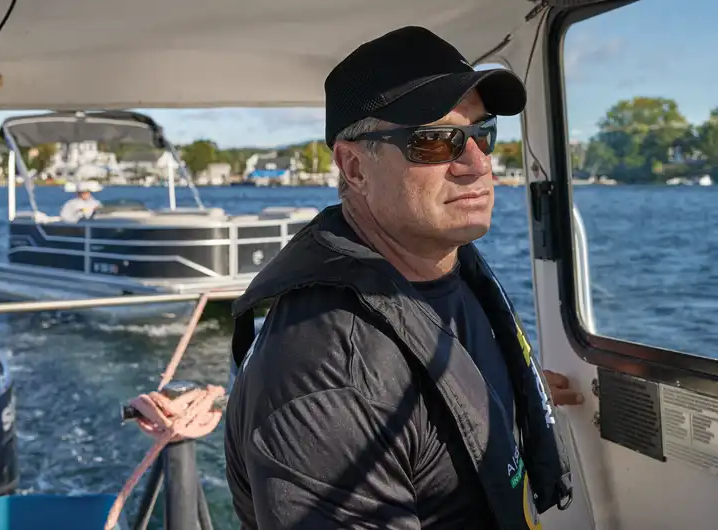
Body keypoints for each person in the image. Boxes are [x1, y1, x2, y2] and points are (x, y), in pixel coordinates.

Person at [224, 26, 579, 530]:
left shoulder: (443, 275)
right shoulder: (330, 376)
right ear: (354, 167)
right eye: (435, 141)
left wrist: (508, 388)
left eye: (482, 135)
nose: (477, 165)